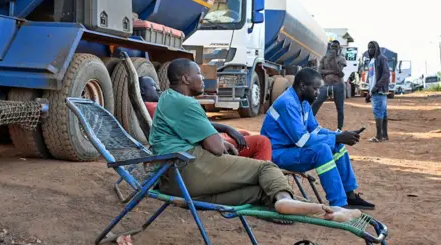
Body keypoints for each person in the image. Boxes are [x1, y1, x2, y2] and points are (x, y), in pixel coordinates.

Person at [148, 58, 362, 222]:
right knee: (265, 169)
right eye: (198, 74)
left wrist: (336, 137)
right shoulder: (187, 103)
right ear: (185, 79)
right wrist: (223, 143)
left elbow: (316, 130)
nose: (202, 77)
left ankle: (325, 210)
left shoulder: (168, 98)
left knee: (260, 191)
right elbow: (215, 148)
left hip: (173, 182)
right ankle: (295, 202)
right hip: (188, 168)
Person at [260, 67, 375, 210]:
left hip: (290, 149)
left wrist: (339, 136)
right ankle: (339, 203)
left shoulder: (303, 102)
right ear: (303, 86)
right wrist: (338, 137)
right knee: (323, 150)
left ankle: (349, 195)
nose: (318, 93)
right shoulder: (287, 103)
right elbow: (302, 140)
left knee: (337, 147)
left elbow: (316, 130)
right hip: (276, 154)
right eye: (315, 89)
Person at [139, 75, 271, 161]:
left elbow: (195, 124)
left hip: (198, 139)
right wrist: (225, 128)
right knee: (261, 142)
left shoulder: (164, 103)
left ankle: (254, 169)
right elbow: (212, 144)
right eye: (153, 87)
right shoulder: (160, 105)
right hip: (198, 146)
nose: (158, 89)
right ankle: (257, 174)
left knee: (244, 134)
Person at [311, 40, 347, 131]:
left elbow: (339, 72)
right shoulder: (324, 58)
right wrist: (332, 72)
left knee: (340, 108)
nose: (334, 49)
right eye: (332, 47)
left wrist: (334, 59)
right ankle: (309, 124)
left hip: (338, 85)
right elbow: (320, 72)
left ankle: (339, 128)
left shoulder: (341, 59)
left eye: (336, 47)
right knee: (316, 103)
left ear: (339, 49)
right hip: (326, 85)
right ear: (329, 47)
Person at [365, 41, 390, 142]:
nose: (370, 50)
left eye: (372, 48)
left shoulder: (381, 58)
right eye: (368, 48)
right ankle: (384, 135)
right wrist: (369, 92)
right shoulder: (372, 60)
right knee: (382, 113)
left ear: (377, 48)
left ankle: (379, 136)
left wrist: (375, 88)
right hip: (375, 91)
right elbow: (372, 78)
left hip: (379, 91)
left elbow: (386, 75)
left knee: (378, 113)